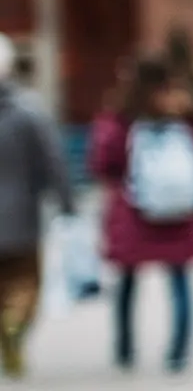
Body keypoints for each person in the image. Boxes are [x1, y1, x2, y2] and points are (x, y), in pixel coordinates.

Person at [88, 59, 193, 376]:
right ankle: (178, 352)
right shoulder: (184, 114)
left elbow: (103, 162)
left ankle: (125, 348)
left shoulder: (121, 115)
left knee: (128, 283)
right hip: (180, 213)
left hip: (134, 211)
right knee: (180, 280)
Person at [0, 35, 78, 380]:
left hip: (21, 215)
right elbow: (53, 160)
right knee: (26, 283)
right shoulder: (28, 111)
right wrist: (66, 203)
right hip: (21, 217)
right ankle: (14, 325)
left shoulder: (28, 111)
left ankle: (9, 333)